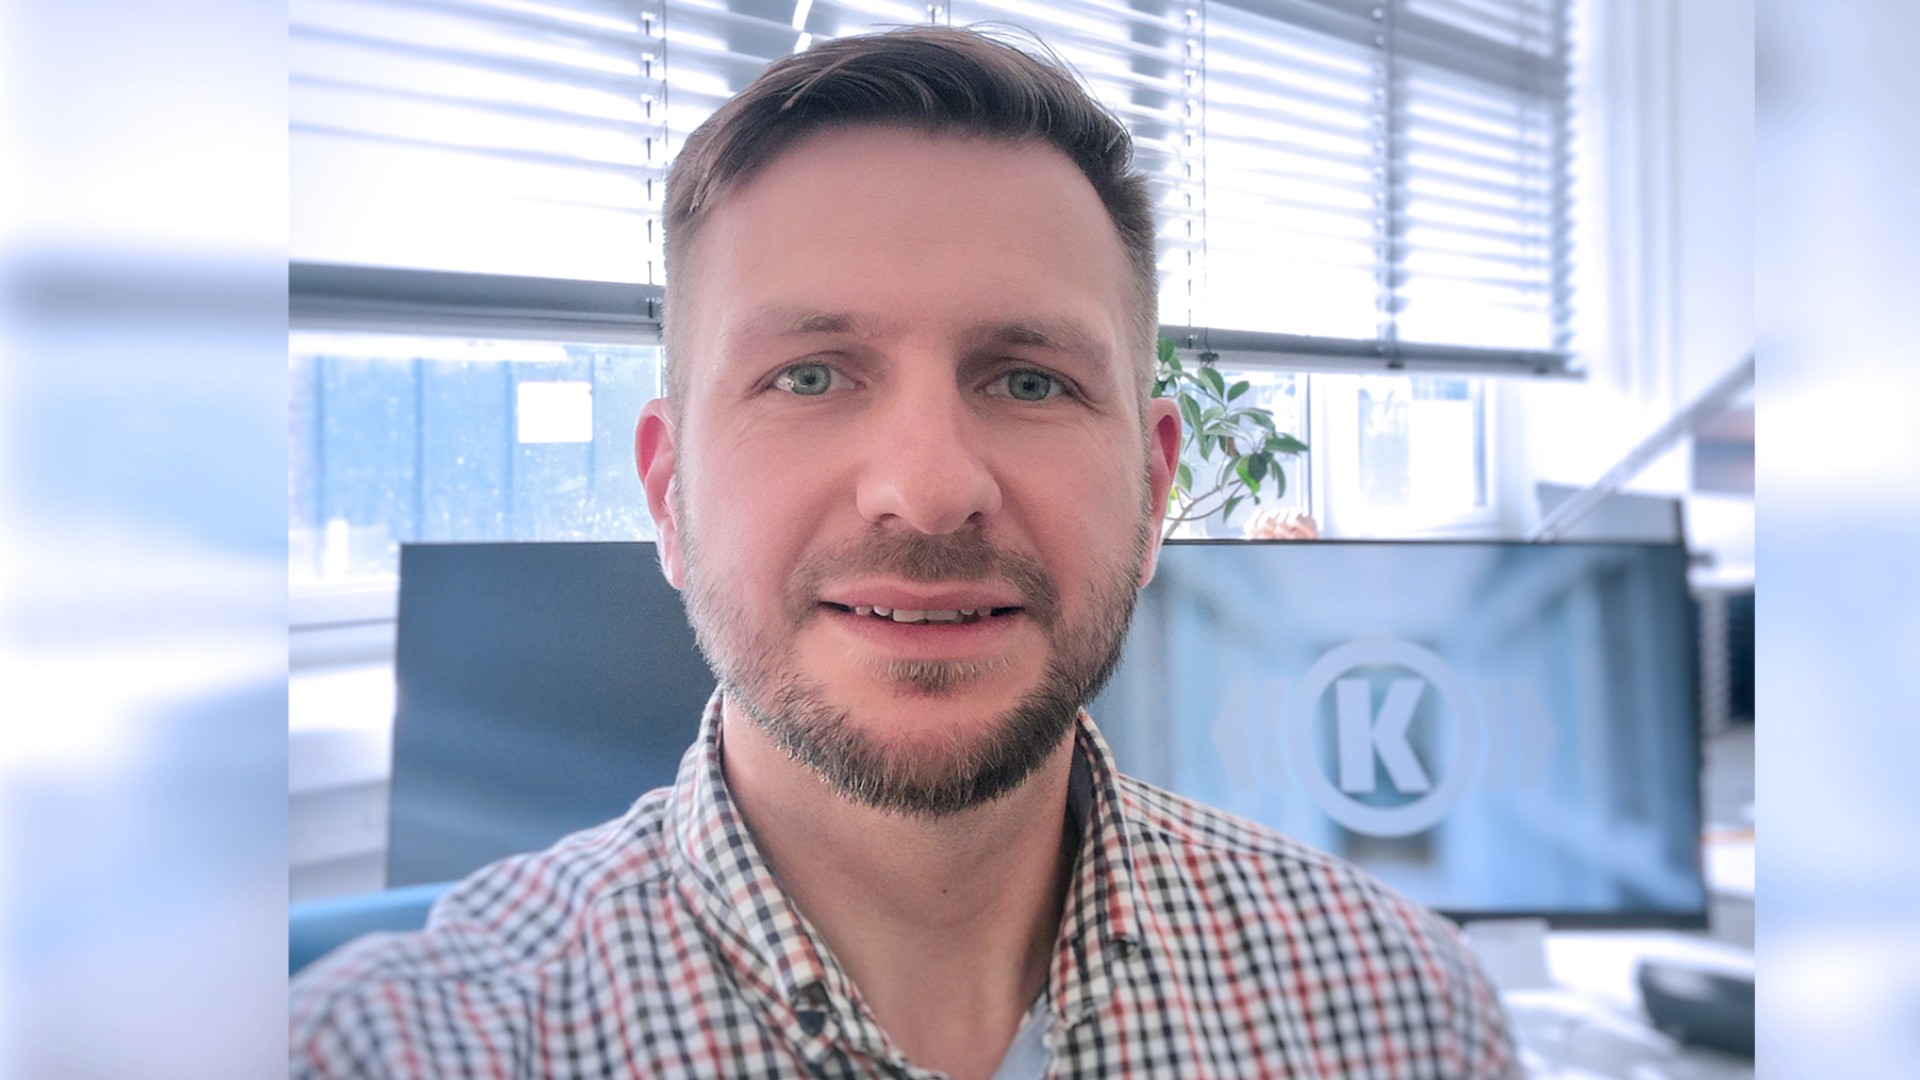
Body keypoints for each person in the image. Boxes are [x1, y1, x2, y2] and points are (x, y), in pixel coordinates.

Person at [291, 26, 1517, 1079]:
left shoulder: (1405, 1010)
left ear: (1153, 488)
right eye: (810, 375)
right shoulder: (383, 1049)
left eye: (1030, 379)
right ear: (669, 494)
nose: (929, 492)